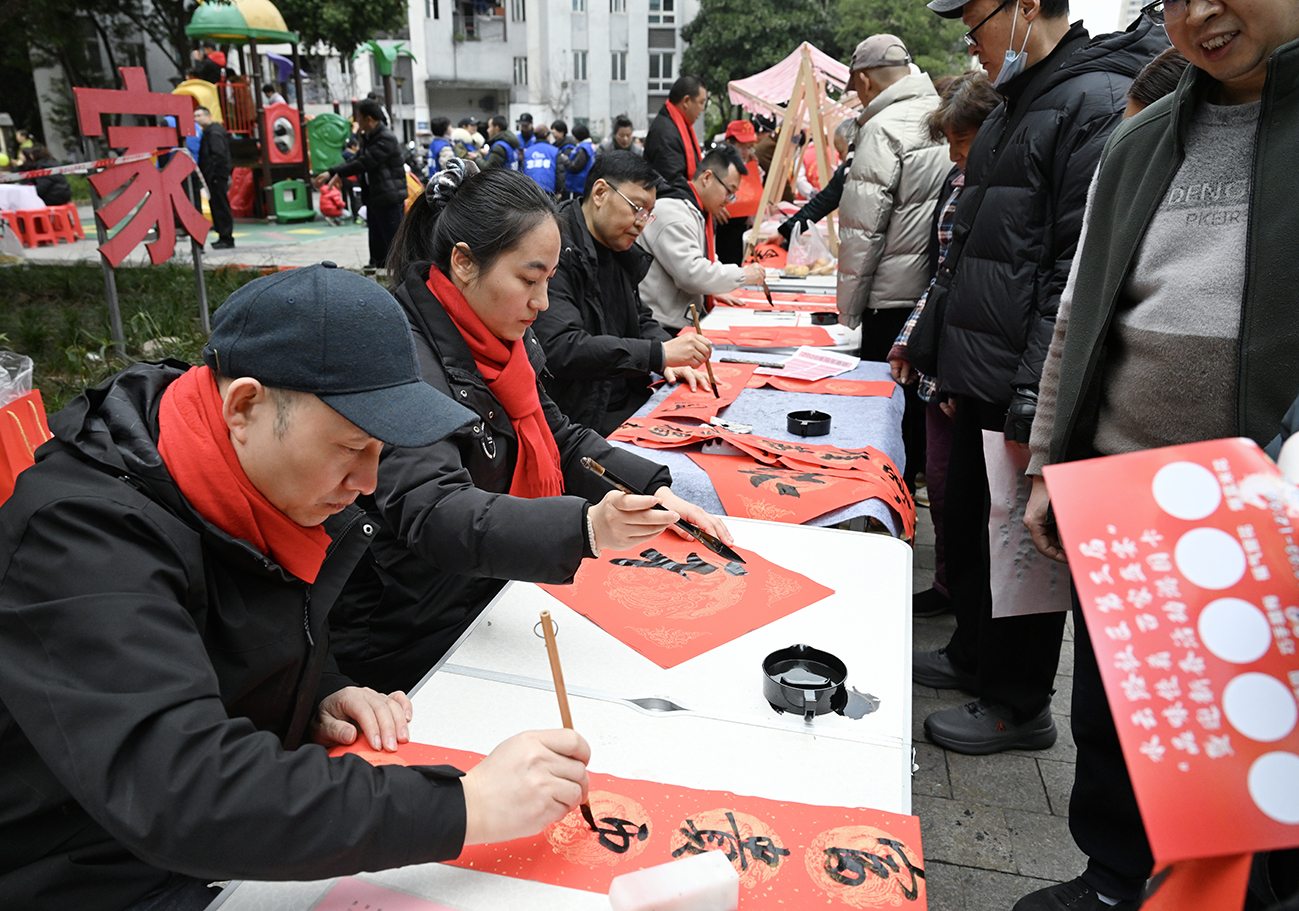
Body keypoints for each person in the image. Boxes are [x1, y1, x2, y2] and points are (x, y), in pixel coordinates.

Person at [0, 263, 595, 911]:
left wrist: (314, 690)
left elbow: (229, 634)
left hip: (216, 852)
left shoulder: (241, 475)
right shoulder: (81, 537)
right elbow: (185, 791)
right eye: (351, 447)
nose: (367, 483)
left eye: (381, 451)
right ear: (244, 406)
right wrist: (465, 805)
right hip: (90, 874)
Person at [1017, 1, 1299, 907]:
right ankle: (1111, 878)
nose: (1199, 13)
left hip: (1261, 515)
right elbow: (1078, 312)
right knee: (1114, 713)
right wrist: (1046, 464)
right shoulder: (1138, 141)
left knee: (1248, 757)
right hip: (1123, 496)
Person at [331, 162, 732, 692]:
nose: (541, 303)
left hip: (490, 595)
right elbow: (435, 511)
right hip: (414, 635)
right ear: (464, 263)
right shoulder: (403, 359)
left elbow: (558, 435)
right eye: (528, 279)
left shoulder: (501, 336)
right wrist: (585, 527)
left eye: (547, 280)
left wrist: (651, 490)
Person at [913, 0, 1167, 756]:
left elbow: (1072, 270)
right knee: (970, 526)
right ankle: (972, 655)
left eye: (975, 25)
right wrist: (937, 350)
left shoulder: (1090, 102)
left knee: (1018, 550)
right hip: (979, 367)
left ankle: (1017, 701)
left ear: (1026, 6)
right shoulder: (1013, 103)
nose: (971, 45)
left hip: (1021, 376)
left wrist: (1036, 395)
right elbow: (969, 247)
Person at [887, 70, 1003, 619]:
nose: (955, 156)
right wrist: (913, 343)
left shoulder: (1003, 184)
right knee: (941, 481)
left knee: (967, 496)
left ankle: (966, 604)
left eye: (962, 142)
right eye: (951, 144)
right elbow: (944, 273)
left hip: (972, 367)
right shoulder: (959, 180)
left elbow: (981, 285)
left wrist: (954, 367)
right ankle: (948, 586)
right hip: (945, 361)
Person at [533, 151, 712, 434]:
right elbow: (561, 346)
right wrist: (657, 354)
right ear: (600, 193)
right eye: (637, 208)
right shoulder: (556, 247)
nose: (642, 222)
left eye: (648, 214)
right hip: (578, 420)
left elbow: (639, 317)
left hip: (626, 399)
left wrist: (668, 351)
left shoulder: (619, 249)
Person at [836, 35, 949, 360]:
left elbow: (864, 230)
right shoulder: (943, 113)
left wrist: (849, 311)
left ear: (864, 80)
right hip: (934, 290)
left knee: (881, 387)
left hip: (889, 298)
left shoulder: (880, 128)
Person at [637, 144, 767, 334]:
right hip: (661, 327)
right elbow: (692, 274)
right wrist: (743, 275)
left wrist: (712, 290)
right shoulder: (673, 213)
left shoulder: (695, 211)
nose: (728, 200)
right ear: (707, 178)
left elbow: (706, 261)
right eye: (729, 191)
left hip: (676, 319)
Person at [314, 98, 407, 271]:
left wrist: (333, 172)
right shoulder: (369, 137)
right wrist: (337, 173)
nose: (356, 122)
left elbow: (365, 162)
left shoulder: (385, 138)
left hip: (389, 196)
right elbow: (357, 159)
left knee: (393, 239)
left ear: (368, 118)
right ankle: (377, 267)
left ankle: (399, 272)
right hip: (375, 195)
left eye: (358, 117)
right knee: (376, 237)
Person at [775, 118, 856, 245]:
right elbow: (821, 203)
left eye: (841, 151)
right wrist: (785, 231)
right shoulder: (844, 173)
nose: (840, 157)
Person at [643, 74, 707, 194]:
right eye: (701, 102)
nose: (702, 109)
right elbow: (672, 179)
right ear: (686, 101)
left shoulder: (679, 126)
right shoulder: (664, 132)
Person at [714, 119, 761, 265]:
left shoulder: (752, 167)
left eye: (749, 147)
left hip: (745, 229)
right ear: (729, 143)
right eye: (741, 147)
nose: (745, 152)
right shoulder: (717, 167)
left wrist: (755, 173)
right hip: (724, 228)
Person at [194, 107, 234, 250]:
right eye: (194, 116)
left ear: (208, 116)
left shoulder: (214, 133)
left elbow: (218, 154)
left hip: (216, 175)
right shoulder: (211, 131)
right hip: (215, 175)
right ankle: (224, 236)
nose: (196, 119)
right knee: (217, 205)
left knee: (220, 205)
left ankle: (226, 237)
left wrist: (215, 174)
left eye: (199, 115)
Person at [523, 125, 563, 196]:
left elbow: (522, 170)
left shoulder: (527, 151)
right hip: (549, 190)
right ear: (547, 136)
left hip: (529, 190)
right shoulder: (554, 151)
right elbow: (560, 172)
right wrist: (559, 191)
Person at [559, 123, 596, 200]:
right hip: (584, 184)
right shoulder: (589, 146)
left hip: (577, 186)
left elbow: (575, 167)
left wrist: (564, 158)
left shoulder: (583, 149)